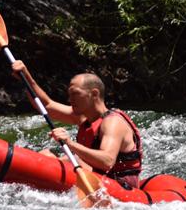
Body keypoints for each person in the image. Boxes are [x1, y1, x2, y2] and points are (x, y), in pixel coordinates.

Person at [10, 61, 144, 189]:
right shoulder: (84, 117)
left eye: (75, 94)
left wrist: (69, 143)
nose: (70, 99)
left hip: (120, 185)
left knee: (72, 160)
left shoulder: (113, 122)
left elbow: (107, 162)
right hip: (99, 176)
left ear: (94, 94)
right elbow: (47, 106)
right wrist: (26, 78)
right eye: (69, 94)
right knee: (46, 155)